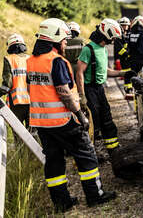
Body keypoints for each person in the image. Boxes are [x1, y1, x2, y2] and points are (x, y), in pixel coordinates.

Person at [26, 18, 116, 212]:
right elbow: (63, 92)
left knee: (54, 161)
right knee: (87, 156)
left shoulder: (31, 61)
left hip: (41, 123)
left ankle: (62, 203)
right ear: (55, 39)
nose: (66, 43)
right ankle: (95, 195)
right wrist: (79, 114)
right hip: (64, 121)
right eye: (64, 40)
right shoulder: (56, 61)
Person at [76, 18, 125, 150]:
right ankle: (92, 150)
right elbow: (79, 73)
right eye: (113, 38)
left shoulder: (102, 49)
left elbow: (104, 71)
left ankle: (112, 147)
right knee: (94, 119)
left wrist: (123, 74)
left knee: (106, 115)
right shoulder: (88, 49)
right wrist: (82, 96)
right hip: (89, 89)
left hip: (99, 89)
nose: (114, 40)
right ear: (107, 34)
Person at [0, 34, 30, 137]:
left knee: (18, 133)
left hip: (17, 102)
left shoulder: (9, 59)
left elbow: (7, 85)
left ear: (10, 46)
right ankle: (32, 154)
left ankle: (21, 153)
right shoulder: (30, 59)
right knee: (32, 133)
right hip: (32, 101)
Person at [115, 17, 132, 94]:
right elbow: (119, 50)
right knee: (126, 74)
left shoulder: (131, 35)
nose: (125, 27)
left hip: (131, 58)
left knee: (132, 73)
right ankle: (128, 88)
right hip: (124, 59)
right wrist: (128, 54)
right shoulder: (118, 37)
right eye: (123, 25)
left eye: (126, 25)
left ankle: (131, 88)